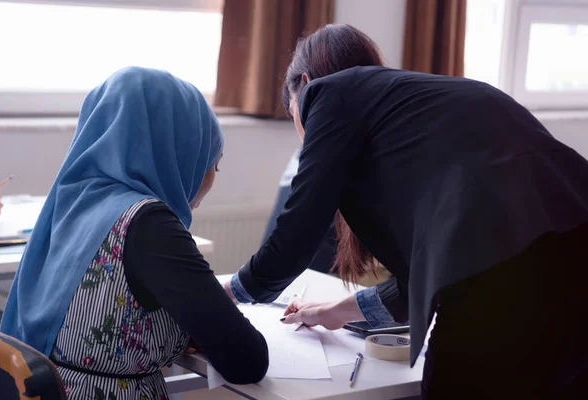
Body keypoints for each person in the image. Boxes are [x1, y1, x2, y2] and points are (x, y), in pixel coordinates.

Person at [223, 24, 588, 399]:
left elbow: (295, 235)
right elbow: (426, 272)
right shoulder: (417, 107)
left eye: (296, 118)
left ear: (304, 84)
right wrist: (337, 311)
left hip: (501, 269)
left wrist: (223, 297)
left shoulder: (327, 94)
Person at [0, 67, 268, 399]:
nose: (212, 175)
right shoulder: (150, 224)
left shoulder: (72, 199)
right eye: (212, 161)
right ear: (176, 151)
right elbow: (246, 359)